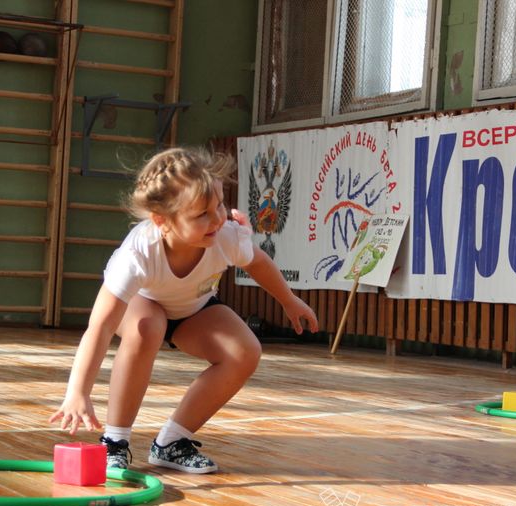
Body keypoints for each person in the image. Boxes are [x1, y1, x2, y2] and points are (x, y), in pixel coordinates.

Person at [50, 147, 318, 473]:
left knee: (245, 351)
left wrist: (289, 300)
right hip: (144, 304)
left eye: (219, 204)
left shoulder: (224, 235)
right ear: (162, 221)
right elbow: (101, 327)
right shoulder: (138, 255)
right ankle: (114, 442)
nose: (218, 218)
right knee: (148, 325)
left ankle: (172, 442)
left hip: (194, 307)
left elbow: (259, 263)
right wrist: (78, 391)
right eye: (201, 214)